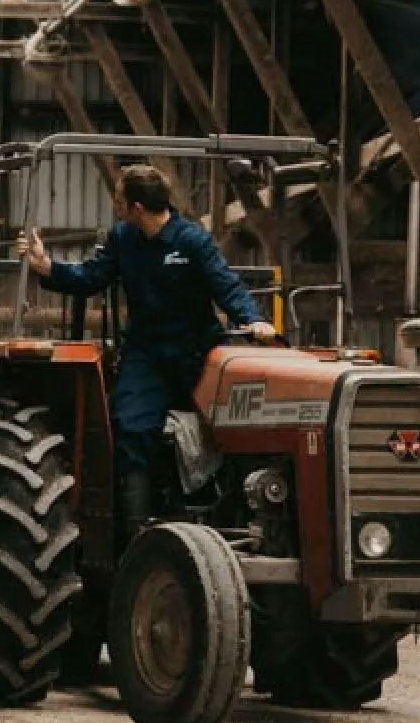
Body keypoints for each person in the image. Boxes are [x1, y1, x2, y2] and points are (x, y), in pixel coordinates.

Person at [16, 164, 275, 535]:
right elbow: (90, 277)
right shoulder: (123, 239)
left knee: (234, 425)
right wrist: (47, 266)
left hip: (197, 351)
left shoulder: (192, 241)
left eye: (119, 200)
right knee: (130, 424)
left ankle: (235, 518)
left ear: (137, 206)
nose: (115, 205)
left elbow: (227, 286)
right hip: (147, 353)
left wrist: (253, 320)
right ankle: (138, 530)